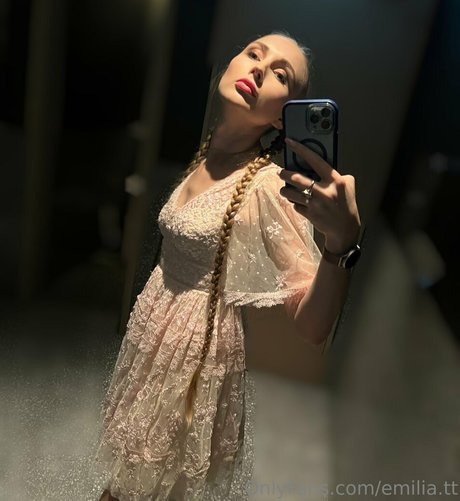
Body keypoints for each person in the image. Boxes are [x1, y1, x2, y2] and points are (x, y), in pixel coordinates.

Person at [93, 30, 361, 501]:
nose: (258, 68)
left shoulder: (266, 186)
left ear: (284, 115)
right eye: (253, 53)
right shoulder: (209, 151)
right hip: (156, 336)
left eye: (280, 75)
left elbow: (312, 325)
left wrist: (341, 244)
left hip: (192, 359)